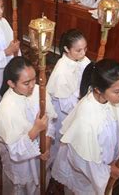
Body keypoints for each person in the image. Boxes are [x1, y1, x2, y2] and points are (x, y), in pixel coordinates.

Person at [51, 59, 119, 194]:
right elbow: (80, 159)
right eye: (117, 91)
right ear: (98, 90)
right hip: (87, 176)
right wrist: (107, 171)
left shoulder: (115, 99)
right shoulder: (86, 118)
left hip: (107, 163)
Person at [0, 57, 57, 194]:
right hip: (22, 165)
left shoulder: (38, 91)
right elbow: (15, 150)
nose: (32, 85)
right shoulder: (6, 109)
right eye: (26, 83)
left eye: (34, 79)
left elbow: (50, 120)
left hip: (41, 154)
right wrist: (36, 129)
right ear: (11, 83)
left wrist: (47, 146)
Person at [47, 29, 90, 159]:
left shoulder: (81, 58)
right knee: (61, 140)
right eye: (78, 50)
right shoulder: (61, 72)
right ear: (67, 48)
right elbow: (66, 105)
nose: (83, 53)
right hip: (63, 112)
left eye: (85, 48)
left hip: (78, 101)